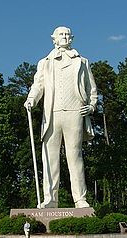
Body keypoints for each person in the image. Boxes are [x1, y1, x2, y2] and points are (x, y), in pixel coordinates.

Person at [24, 26, 98, 208]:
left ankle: (80, 199)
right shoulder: (45, 62)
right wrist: (31, 99)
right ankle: (50, 199)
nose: (64, 37)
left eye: (67, 34)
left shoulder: (82, 62)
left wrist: (91, 106)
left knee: (75, 157)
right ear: (54, 39)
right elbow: (38, 85)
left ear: (72, 38)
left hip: (75, 112)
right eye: (61, 34)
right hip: (52, 114)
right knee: (49, 158)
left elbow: (92, 89)